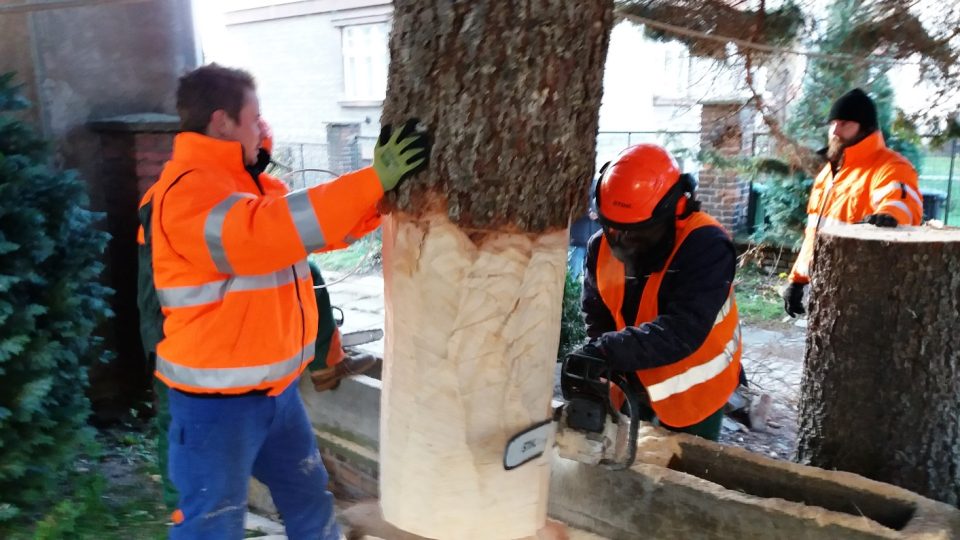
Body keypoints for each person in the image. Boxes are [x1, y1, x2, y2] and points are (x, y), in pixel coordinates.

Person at [136, 63, 428, 539]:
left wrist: (376, 199)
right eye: (254, 119)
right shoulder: (186, 191)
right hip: (214, 406)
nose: (261, 129)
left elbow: (302, 233)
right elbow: (265, 233)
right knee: (211, 526)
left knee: (311, 501)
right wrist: (371, 180)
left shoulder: (246, 186)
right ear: (222, 121)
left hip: (276, 395)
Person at [575, 144, 741, 442]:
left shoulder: (706, 245)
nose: (624, 240)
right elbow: (596, 313)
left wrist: (607, 351)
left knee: (683, 478)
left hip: (694, 390)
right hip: (630, 374)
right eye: (615, 229)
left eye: (638, 232)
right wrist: (598, 360)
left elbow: (682, 329)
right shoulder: (599, 247)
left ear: (675, 211)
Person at [782, 88, 922, 317]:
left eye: (845, 123)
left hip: (862, 292)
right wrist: (797, 280)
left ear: (865, 128)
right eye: (833, 123)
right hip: (823, 289)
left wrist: (890, 216)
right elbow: (814, 233)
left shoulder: (890, 167)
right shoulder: (830, 171)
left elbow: (901, 203)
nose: (835, 130)